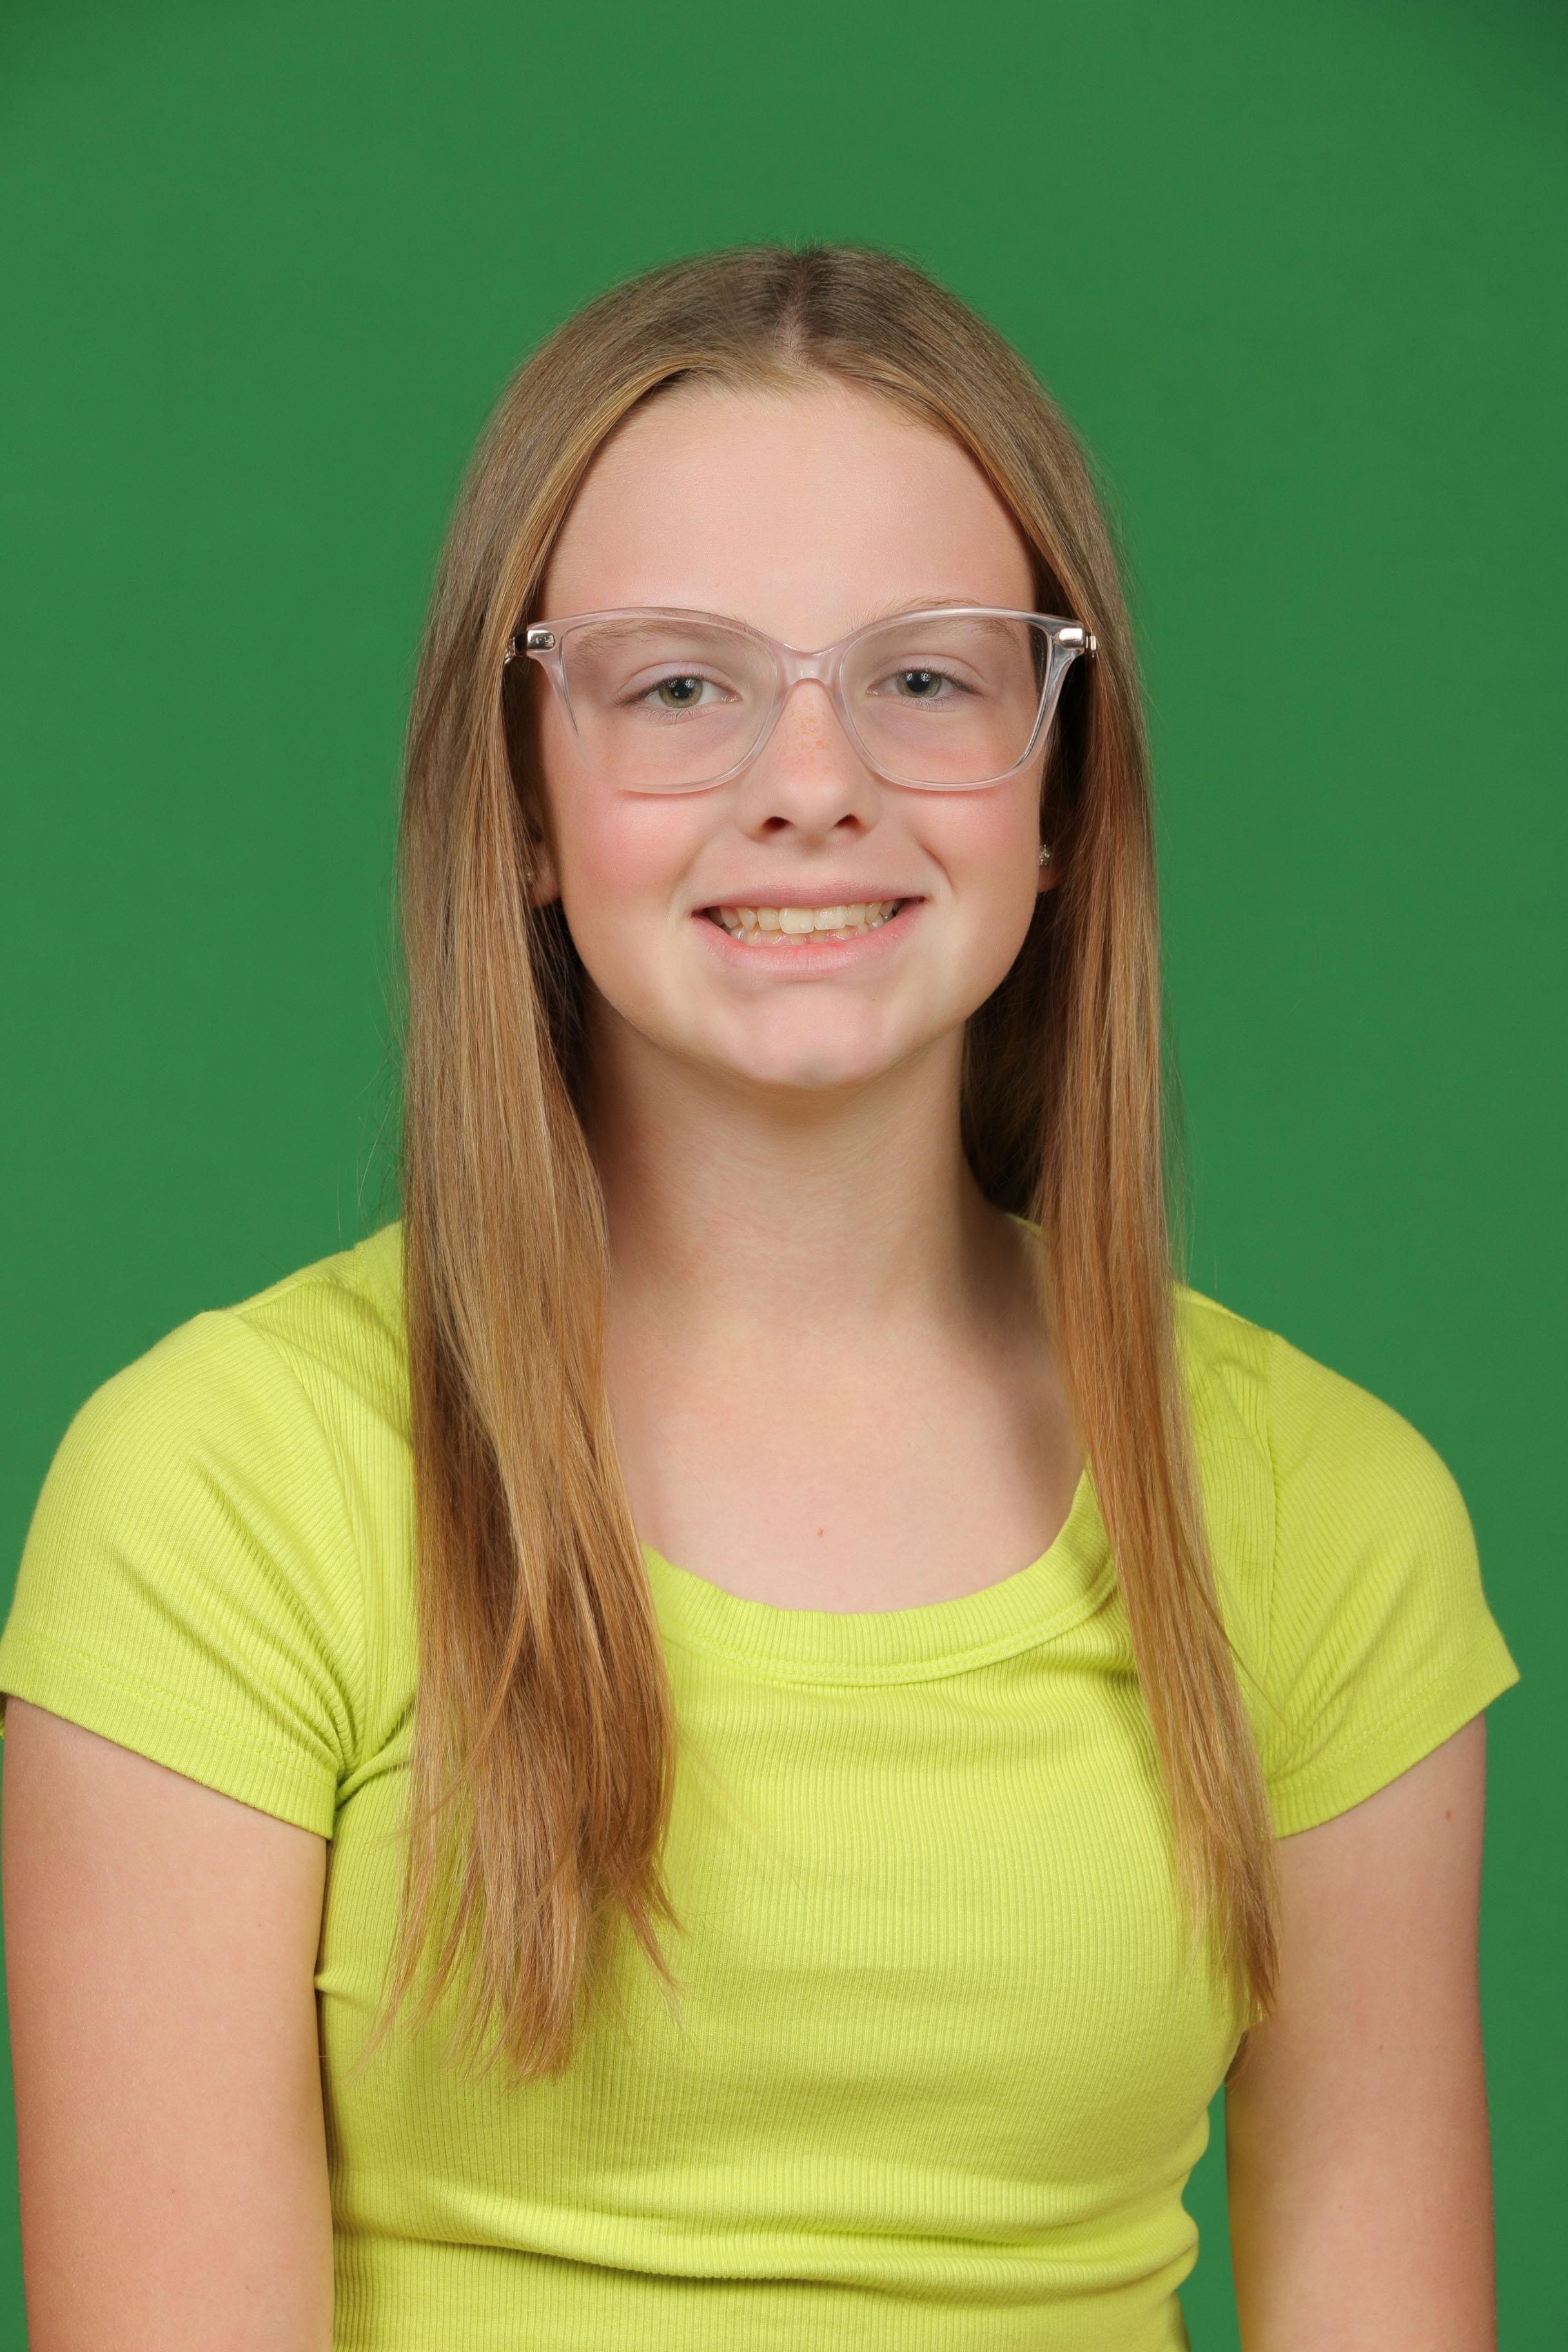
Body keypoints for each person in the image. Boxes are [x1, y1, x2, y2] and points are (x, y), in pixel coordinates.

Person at [0, 244, 1516, 2352]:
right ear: (524, 804)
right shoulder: (221, 1492)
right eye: (679, 687)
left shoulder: (1325, 1510)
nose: (813, 780)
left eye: (927, 678)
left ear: (1062, 791)